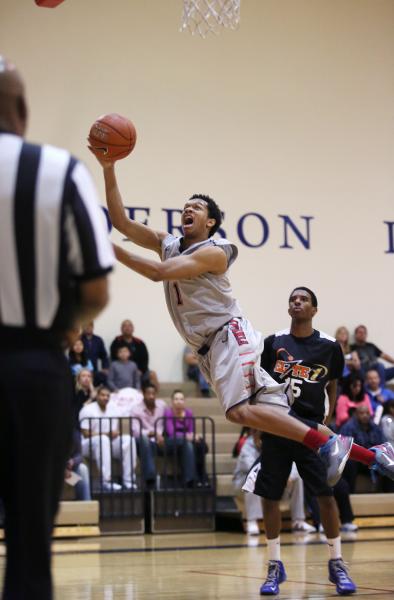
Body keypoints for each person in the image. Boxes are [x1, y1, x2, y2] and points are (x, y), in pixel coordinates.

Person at [90, 150, 394, 488]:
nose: (187, 209)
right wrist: (108, 167)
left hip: (228, 336)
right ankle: (376, 455)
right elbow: (120, 222)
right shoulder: (168, 243)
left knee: (238, 413)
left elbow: (158, 273)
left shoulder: (217, 252)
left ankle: (329, 444)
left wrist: (108, 249)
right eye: (185, 206)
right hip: (212, 347)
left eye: (197, 207)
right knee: (282, 417)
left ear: (210, 223)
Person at [0, 57, 113, 600]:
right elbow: (96, 292)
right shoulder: (59, 170)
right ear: (22, 110)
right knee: (28, 546)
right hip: (32, 369)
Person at [243, 287, 356, 595]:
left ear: (314, 309)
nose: (297, 302)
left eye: (303, 299)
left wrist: (327, 419)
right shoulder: (273, 343)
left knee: (326, 496)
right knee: (270, 496)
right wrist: (256, 424)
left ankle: (337, 562)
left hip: (311, 431)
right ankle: (274, 566)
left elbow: (332, 383)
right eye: (293, 299)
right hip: (278, 427)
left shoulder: (330, 346)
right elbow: (259, 385)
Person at [233, 429, 315, 535]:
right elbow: (253, 468)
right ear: (254, 435)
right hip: (243, 487)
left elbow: (293, 463)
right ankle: (252, 522)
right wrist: (280, 476)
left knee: (297, 478)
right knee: (252, 479)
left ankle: (298, 521)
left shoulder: (277, 444)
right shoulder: (247, 447)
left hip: (273, 482)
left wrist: (289, 476)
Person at [79, 386, 137, 491]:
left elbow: (118, 428)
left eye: (107, 396)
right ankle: (106, 481)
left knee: (129, 439)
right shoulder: (87, 410)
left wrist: (116, 433)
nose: (105, 398)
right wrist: (106, 434)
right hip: (88, 445)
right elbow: (85, 433)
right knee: (103, 439)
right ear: (97, 396)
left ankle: (128, 481)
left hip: (108, 443)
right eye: (102, 395)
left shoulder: (113, 407)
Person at [340, 405, 386, 493]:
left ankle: (388, 495)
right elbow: (345, 447)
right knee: (349, 464)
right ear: (356, 415)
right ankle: (350, 494)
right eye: (362, 413)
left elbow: (383, 444)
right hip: (357, 461)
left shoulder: (375, 428)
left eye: (367, 413)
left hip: (373, 459)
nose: (365, 415)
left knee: (388, 462)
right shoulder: (348, 427)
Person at [129, 382, 167, 487]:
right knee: (144, 440)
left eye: (153, 394)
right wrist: (152, 433)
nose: (151, 396)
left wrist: (162, 436)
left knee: (181, 442)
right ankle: (150, 478)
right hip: (141, 442)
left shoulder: (162, 405)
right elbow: (136, 431)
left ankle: (191, 481)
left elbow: (168, 423)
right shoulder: (135, 409)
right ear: (143, 394)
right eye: (148, 393)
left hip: (159, 441)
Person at [110, 319, 159, 388]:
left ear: (133, 328)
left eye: (129, 326)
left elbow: (145, 359)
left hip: (139, 371)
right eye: (124, 326)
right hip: (121, 371)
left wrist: (141, 371)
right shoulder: (116, 341)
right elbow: (113, 358)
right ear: (121, 329)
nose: (127, 328)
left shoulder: (139, 342)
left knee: (152, 374)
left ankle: (152, 396)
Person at [64, 429, 91, 501]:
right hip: (52, 474)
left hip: (68, 474)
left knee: (82, 469)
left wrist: (73, 461)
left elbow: (79, 455)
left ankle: (86, 506)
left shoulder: (74, 433)